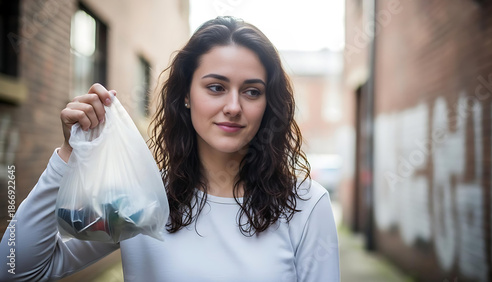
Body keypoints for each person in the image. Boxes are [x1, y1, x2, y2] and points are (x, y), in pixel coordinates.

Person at [0, 16, 340, 281]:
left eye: (252, 91)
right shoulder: (139, 201)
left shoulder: (307, 206)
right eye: (216, 87)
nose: (234, 106)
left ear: (268, 103)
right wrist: (67, 157)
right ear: (187, 96)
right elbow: (15, 269)